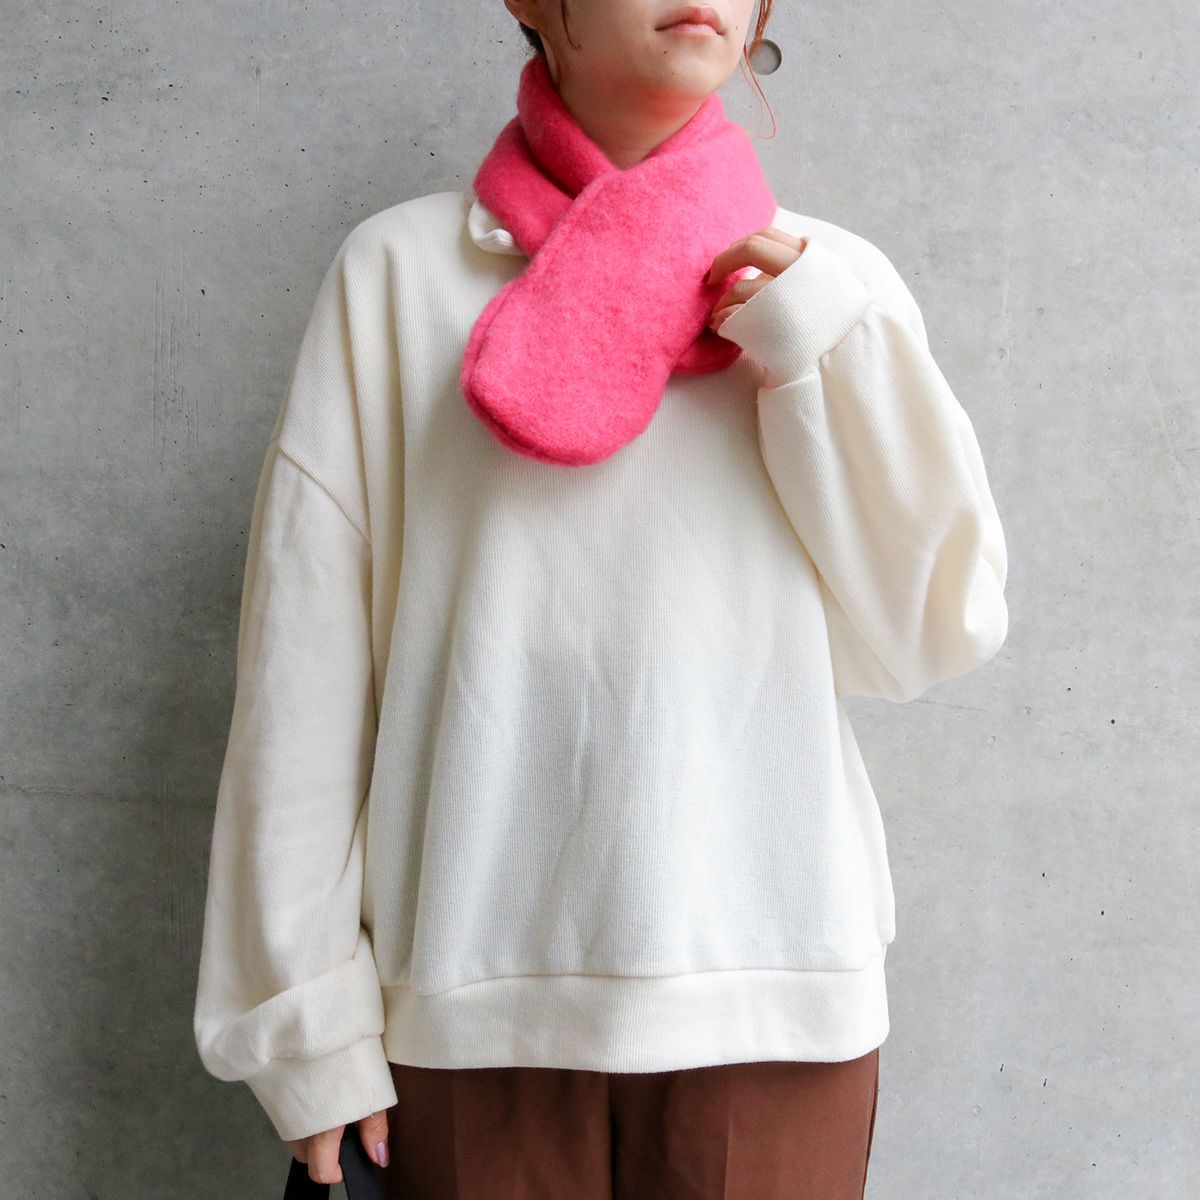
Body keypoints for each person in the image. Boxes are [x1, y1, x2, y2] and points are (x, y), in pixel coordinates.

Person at [192, 1, 1010, 1197]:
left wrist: (818, 340)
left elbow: (933, 629)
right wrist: (302, 1022)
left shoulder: (829, 288)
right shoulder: (400, 276)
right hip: (466, 1006)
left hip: (774, 1003)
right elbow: (302, 677)